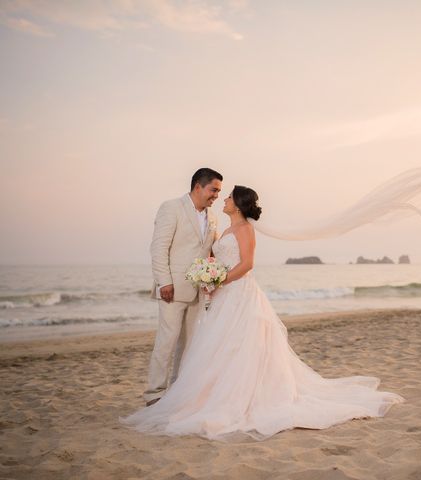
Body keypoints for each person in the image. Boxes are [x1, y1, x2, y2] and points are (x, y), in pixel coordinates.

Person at [123, 185, 405, 440]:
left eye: (229, 196)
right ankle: (204, 395)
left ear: (239, 204)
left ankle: (238, 398)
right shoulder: (223, 228)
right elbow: (214, 257)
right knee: (218, 348)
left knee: (240, 347)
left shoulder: (245, 229)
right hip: (222, 297)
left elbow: (246, 264)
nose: (224, 198)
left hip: (240, 295)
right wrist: (208, 278)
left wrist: (217, 280)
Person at [143, 168, 223, 406]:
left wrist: (214, 276)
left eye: (219, 192)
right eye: (213, 190)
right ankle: (154, 394)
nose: (216, 196)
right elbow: (158, 248)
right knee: (166, 342)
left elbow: (210, 250)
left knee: (188, 344)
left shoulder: (213, 218)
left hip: (198, 289)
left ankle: (177, 392)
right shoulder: (171, 208)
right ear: (198, 186)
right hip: (173, 289)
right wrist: (164, 282)